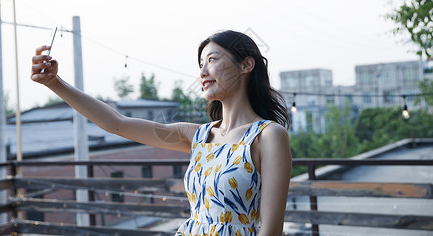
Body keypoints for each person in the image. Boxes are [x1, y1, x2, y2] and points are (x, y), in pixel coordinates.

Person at [31, 30, 292, 236]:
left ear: (246, 65)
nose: (202, 72)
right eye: (200, 64)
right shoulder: (197, 136)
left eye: (212, 60)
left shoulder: (268, 136)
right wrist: (55, 83)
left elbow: (270, 230)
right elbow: (116, 123)